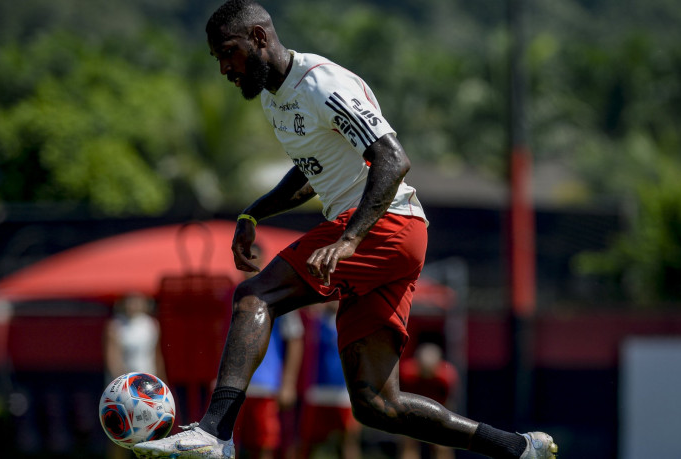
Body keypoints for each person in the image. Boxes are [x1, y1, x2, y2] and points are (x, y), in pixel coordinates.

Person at [133, 1, 558, 458]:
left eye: (228, 52)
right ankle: (517, 448)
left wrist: (350, 238)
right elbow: (308, 174)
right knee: (377, 405)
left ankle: (215, 433)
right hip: (381, 233)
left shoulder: (321, 83)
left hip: (387, 224)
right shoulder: (278, 99)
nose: (223, 68)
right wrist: (252, 214)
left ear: (258, 37)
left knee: (256, 296)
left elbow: (393, 159)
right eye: (216, 58)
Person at [233, 245, 305, 459]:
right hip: (234, 385)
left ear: (264, 261)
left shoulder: (278, 295)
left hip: (266, 385)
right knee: (227, 443)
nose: (250, 265)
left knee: (265, 444)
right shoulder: (232, 296)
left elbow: (295, 340)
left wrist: (288, 383)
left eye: (254, 259)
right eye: (246, 259)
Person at [104, 292, 167, 459]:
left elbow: (156, 356)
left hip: (149, 390)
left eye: (136, 301)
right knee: (120, 435)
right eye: (129, 301)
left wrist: (162, 384)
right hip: (122, 391)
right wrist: (126, 388)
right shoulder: (115, 326)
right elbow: (113, 359)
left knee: (151, 436)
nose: (133, 305)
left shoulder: (151, 325)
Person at [298, 301, 361, 459]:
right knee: (308, 443)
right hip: (317, 391)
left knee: (347, 443)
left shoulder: (353, 322)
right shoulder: (314, 321)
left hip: (345, 395)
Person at [398, 342, 459, 459]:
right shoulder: (407, 373)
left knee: (442, 446)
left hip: (439, 411)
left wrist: (445, 424)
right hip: (412, 411)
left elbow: (448, 402)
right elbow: (401, 399)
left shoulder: (446, 376)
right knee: (409, 444)